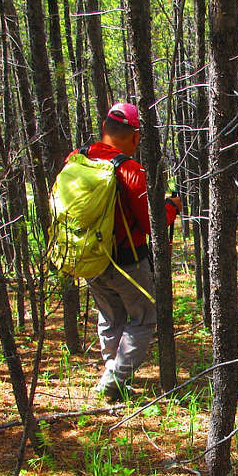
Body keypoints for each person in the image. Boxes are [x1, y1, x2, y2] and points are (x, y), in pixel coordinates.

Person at [72, 102, 181, 402]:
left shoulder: (77, 158)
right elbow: (152, 223)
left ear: (106, 128)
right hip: (127, 262)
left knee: (109, 317)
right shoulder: (130, 170)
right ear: (134, 136)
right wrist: (171, 207)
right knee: (143, 318)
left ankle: (113, 373)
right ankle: (114, 379)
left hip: (89, 258)